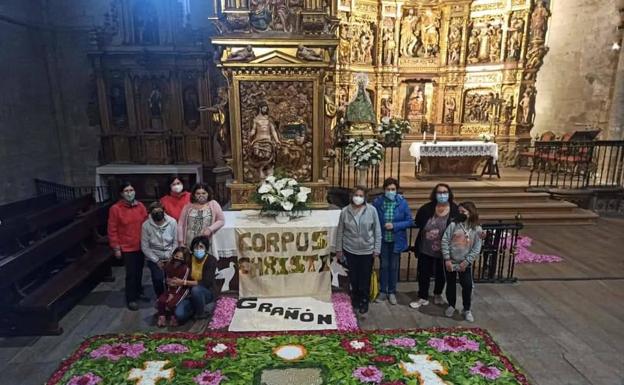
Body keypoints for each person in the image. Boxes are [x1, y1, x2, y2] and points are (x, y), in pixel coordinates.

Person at [409, 183, 459, 309]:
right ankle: (423, 296)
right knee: (423, 273)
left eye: (444, 192)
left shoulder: (454, 209)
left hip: (444, 250)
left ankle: (437, 294)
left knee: (440, 274)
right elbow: (419, 222)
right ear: (435, 194)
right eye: (439, 192)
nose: (442, 195)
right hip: (426, 248)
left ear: (449, 194)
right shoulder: (426, 208)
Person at [335, 186, 382, 314]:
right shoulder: (345, 211)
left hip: (367, 251)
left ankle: (364, 300)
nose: (358, 198)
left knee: (364, 278)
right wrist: (339, 249)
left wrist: (376, 249)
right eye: (356, 195)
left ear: (365, 197)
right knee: (354, 278)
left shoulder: (372, 210)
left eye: (361, 195)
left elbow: (377, 230)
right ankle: (355, 299)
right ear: (352, 196)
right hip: (350, 250)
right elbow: (340, 231)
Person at [107, 182, 148, 311]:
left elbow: (146, 223)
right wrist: (116, 247)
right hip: (126, 246)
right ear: (121, 193)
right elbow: (112, 229)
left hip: (140, 245)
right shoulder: (115, 209)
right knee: (131, 273)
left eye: (131, 190)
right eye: (126, 191)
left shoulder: (140, 206)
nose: (129, 193)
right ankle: (131, 298)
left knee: (139, 271)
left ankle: (139, 291)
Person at [372, 178, 413, 305]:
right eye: (388, 189)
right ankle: (383, 291)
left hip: (396, 239)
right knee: (384, 266)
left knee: (394, 267)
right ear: (384, 190)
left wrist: (395, 225)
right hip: (383, 239)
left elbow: (410, 221)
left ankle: (392, 292)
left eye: (393, 189)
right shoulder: (377, 203)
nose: (390, 191)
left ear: (396, 190)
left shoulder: (403, 203)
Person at [442, 202, 482, 323]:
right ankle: (451, 305)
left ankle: (467, 309)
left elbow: (476, 247)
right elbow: (445, 241)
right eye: (459, 212)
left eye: (463, 212)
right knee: (450, 284)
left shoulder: (477, 229)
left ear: (470, 213)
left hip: (465, 262)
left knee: (467, 285)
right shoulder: (453, 225)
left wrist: (467, 261)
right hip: (451, 261)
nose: (461, 214)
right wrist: (447, 259)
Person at [173, 236, 219, 322]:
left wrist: (184, 282)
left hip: (206, 291)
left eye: (201, 247)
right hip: (189, 294)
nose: (198, 249)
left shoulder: (211, 260)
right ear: (192, 248)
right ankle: (198, 308)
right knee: (179, 315)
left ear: (206, 249)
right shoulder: (189, 258)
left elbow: (206, 282)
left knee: (196, 289)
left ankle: (201, 313)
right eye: (196, 247)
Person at [141, 201, 178, 299]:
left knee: (170, 278)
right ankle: (160, 297)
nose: (158, 214)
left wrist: (171, 256)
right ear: (150, 213)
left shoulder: (172, 222)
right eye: (154, 212)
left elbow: (175, 241)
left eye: (160, 211)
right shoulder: (146, 225)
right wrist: (156, 260)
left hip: (170, 255)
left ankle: (171, 297)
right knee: (158, 278)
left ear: (164, 212)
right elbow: (145, 246)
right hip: (154, 256)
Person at [177, 183, 225, 247]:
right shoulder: (188, 206)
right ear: (194, 195)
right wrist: (181, 241)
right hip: (190, 240)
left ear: (208, 194)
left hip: (206, 239)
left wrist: (210, 229)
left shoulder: (213, 204)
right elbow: (180, 223)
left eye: (203, 193)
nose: (201, 195)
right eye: (198, 193)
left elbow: (221, 220)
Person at [156, 247, 191, 327]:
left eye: (181, 258)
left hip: (182, 289)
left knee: (172, 303)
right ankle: (162, 317)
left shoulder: (185, 268)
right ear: (173, 255)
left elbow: (181, 283)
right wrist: (169, 293)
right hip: (171, 288)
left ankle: (174, 317)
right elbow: (167, 280)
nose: (178, 259)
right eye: (176, 256)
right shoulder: (169, 265)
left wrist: (173, 295)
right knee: (161, 300)